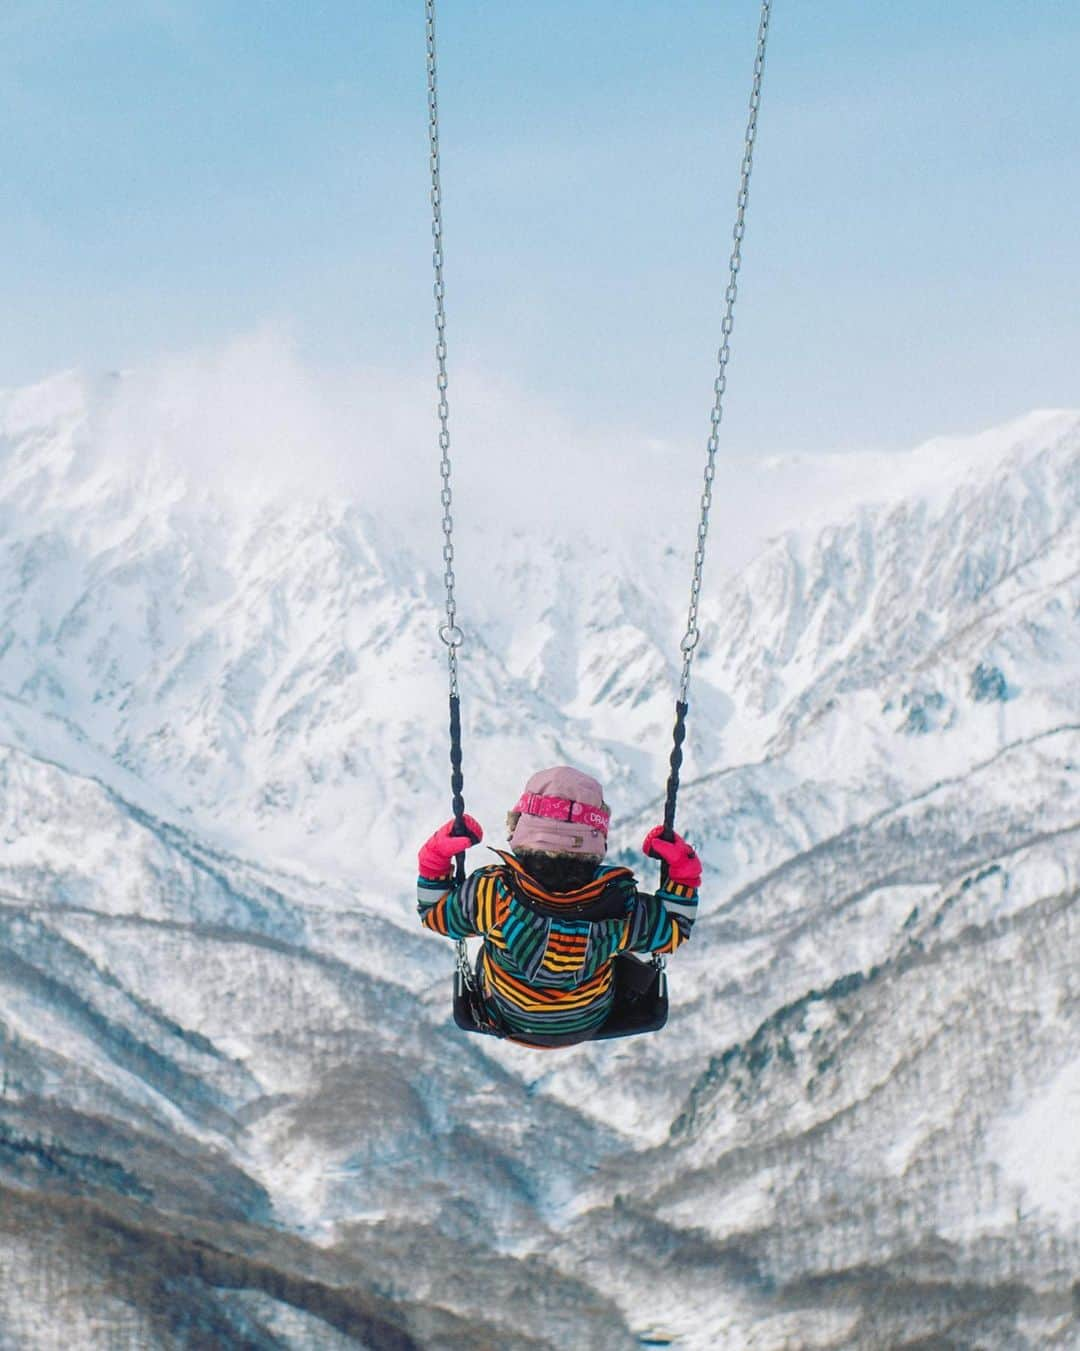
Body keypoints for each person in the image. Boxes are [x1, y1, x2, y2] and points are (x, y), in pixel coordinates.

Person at [416, 765, 701, 1047]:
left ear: (518, 828)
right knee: (623, 955)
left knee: (488, 947)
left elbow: (435, 915)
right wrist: (684, 875)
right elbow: (674, 929)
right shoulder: (622, 906)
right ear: (598, 837)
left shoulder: (491, 894)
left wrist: (434, 862)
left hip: (507, 1016)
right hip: (591, 1019)